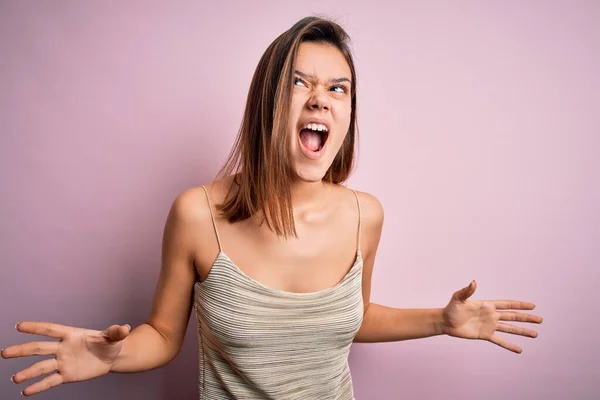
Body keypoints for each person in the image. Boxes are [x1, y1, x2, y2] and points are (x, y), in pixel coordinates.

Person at [1, 16, 543, 399]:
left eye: (339, 88)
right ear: (267, 101)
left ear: (348, 113)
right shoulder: (197, 215)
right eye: (300, 83)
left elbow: (349, 320)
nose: (320, 99)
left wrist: (441, 322)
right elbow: (164, 336)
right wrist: (110, 355)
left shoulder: (364, 217)